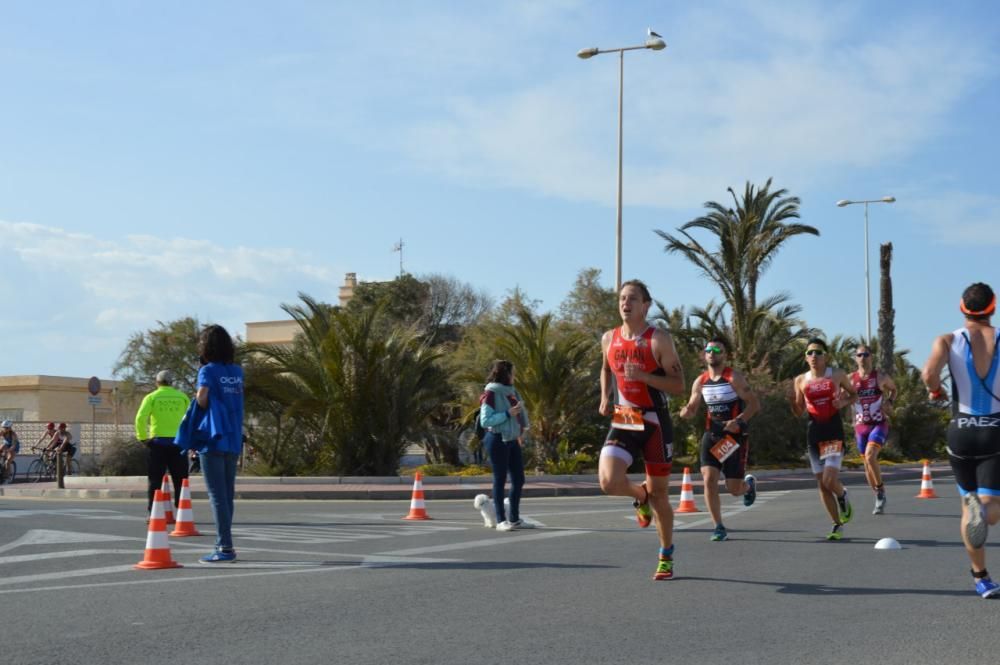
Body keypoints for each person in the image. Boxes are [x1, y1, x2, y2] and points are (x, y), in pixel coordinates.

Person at [599, 279, 685, 580]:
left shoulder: (658, 339)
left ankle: (665, 555)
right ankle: (640, 496)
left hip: (655, 420)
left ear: (646, 305)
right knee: (608, 481)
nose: (626, 303)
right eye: (622, 298)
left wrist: (646, 377)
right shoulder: (609, 338)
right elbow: (606, 367)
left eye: (632, 298)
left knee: (661, 495)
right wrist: (605, 397)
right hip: (625, 416)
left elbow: (678, 386)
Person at [921, 282, 1000, 598]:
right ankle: (984, 510)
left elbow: (928, 374)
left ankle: (980, 577)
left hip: (961, 431)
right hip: (994, 430)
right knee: (991, 506)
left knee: (969, 509)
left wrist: (937, 391)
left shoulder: (947, 339)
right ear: (993, 306)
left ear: (962, 308)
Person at [678, 337, 760, 541]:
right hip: (711, 435)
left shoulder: (734, 378)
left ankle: (748, 486)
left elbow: (754, 404)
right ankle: (718, 526)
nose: (712, 352)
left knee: (733, 489)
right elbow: (692, 408)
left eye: (717, 349)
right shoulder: (701, 381)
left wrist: (739, 421)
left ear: (725, 355)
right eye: (709, 349)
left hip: (733, 439)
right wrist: (685, 412)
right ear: (704, 355)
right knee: (709, 480)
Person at [791, 338, 858, 541]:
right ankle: (837, 524)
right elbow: (798, 410)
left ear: (825, 356)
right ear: (805, 357)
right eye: (810, 353)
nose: (814, 356)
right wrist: (792, 403)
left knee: (830, 479)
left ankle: (842, 496)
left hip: (833, 431)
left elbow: (854, 394)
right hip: (814, 433)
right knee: (821, 484)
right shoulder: (800, 380)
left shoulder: (836, 374)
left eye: (818, 353)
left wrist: (843, 401)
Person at [191, 324, 244, 563]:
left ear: (206, 347)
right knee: (227, 495)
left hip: (213, 438)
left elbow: (202, 400)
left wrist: (197, 399)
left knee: (216, 495)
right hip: (233, 438)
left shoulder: (207, 371)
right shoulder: (237, 372)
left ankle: (224, 547)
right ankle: (225, 543)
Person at [478, 359, 531, 531]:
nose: (515, 375)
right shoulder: (491, 392)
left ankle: (514, 518)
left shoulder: (512, 391)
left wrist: (523, 428)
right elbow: (485, 421)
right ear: (505, 374)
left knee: (518, 479)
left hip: (512, 439)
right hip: (497, 438)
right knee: (500, 479)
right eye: (513, 372)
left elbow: (521, 412)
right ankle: (501, 520)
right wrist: (507, 414)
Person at [134, 369, 191, 516]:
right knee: (181, 480)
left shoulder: (151, 397)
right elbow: (191, 419)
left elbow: (140, 418)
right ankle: (182, 512)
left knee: (155, 480)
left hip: (158, 444)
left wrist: (143, 438)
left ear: (157, 382)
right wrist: (189, 439)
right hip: (179, 444)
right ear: (172, 383)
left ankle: (153, 512)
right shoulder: (182, 397)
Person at [850, 344, 897, 514]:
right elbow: (841, 397)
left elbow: (894, 389)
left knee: (871, 457)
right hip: (860, 427)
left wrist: (890, 402)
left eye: (866, 354)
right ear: (856, 358)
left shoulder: (880, 377)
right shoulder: (850, 379)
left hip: (878, 423)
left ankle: (881, 491)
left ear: (871, 357)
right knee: (867, 464)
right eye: (859, 355)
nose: (863, 358)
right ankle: (878, 495)